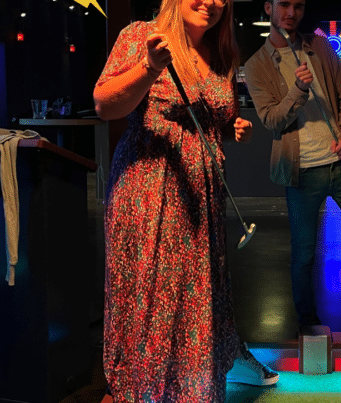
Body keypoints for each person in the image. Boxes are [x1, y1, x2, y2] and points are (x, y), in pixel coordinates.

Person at [93, 0, 277, 401]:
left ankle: (192, 392)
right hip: (149, 191)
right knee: (153, 297)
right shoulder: (141, 36)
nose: (212, 3)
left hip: (201, 200)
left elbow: (207, 118)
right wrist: (149, 67)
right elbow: (105, 105)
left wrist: (230, 128)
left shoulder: (220, 54)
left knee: (196, 296)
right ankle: (142, 390)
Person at [244, 0, 341, 333]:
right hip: (301, 172)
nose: (291, 13)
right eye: (284, 5)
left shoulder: (320, 46)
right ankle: (308, 327)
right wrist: (298, 90)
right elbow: (271, 119)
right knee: (303, 255)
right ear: (268, 7)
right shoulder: (257, 64)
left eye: (298, 6)